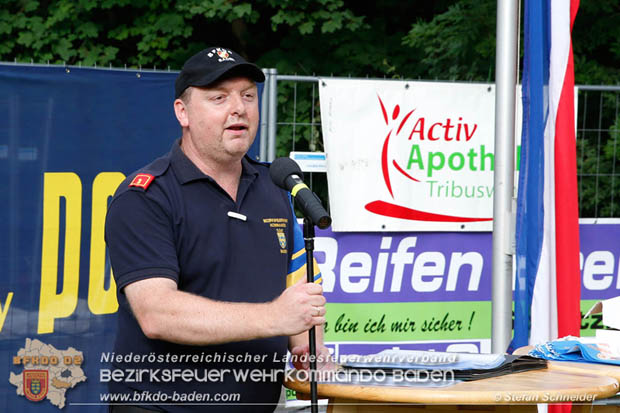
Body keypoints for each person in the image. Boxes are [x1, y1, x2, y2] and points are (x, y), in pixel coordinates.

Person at [104, 46, 332, 413]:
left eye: (247, 96)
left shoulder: (276, 189)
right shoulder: (145, 197)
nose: (238, 108)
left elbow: (301, 292)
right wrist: (275, 317)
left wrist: (308, 345)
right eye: (218, 98)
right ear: (183, 112)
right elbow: (156, 314)